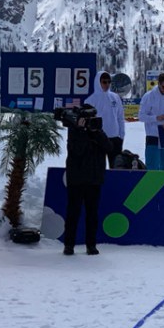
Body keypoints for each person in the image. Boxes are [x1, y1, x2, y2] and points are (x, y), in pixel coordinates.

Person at [62, 104, 109, 256]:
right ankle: (69, 245)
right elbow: (77, 151)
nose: (90, 121)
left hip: (94, 178)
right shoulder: (74, 130)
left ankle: (91, 245)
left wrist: (96, 132)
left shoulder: (97, 129)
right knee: (73, 213)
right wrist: (81, 131)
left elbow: (110, 147)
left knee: (92, 214)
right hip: (77, 178)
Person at [85, 71, 127, 167]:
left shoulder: (115, 97)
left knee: (116, 168)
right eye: (104, 82)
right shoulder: (90, 100)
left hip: (115, 139)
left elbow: (120, 117)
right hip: (98, 140)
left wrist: (121, 136)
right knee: (98, 169)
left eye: (109, 82)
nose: (107, 84)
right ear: (98, 82)